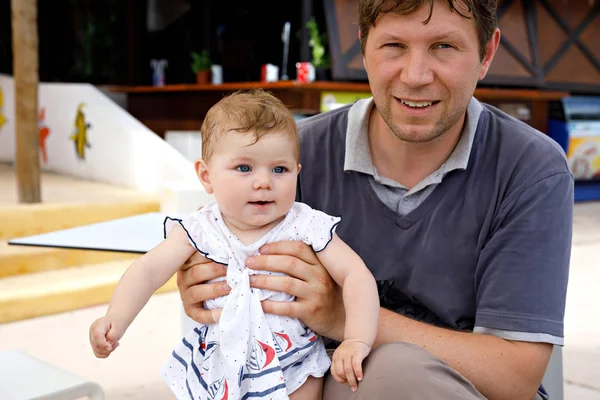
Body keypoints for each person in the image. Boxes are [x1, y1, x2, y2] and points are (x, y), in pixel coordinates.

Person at [177, 1, 574, 399]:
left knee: (394, 374)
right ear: (364, 48)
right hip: (315, 383)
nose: (416, 76)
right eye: (394, 46)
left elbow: (514, 377)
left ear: (486, 53)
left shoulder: (530, 169)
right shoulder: (288, 161)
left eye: (444, 47)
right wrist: (206, 278)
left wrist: (342, 314)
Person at [89, 90, 380, 400]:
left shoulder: (304, 224)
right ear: (206, 175)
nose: (263, 182)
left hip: (292, 363)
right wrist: (115, 319)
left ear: (297, 172)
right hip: (219, 361)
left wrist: (356, 340)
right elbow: (147, 271)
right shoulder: (199, 228)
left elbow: (355, 275)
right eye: (244, 168)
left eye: (279, 169)